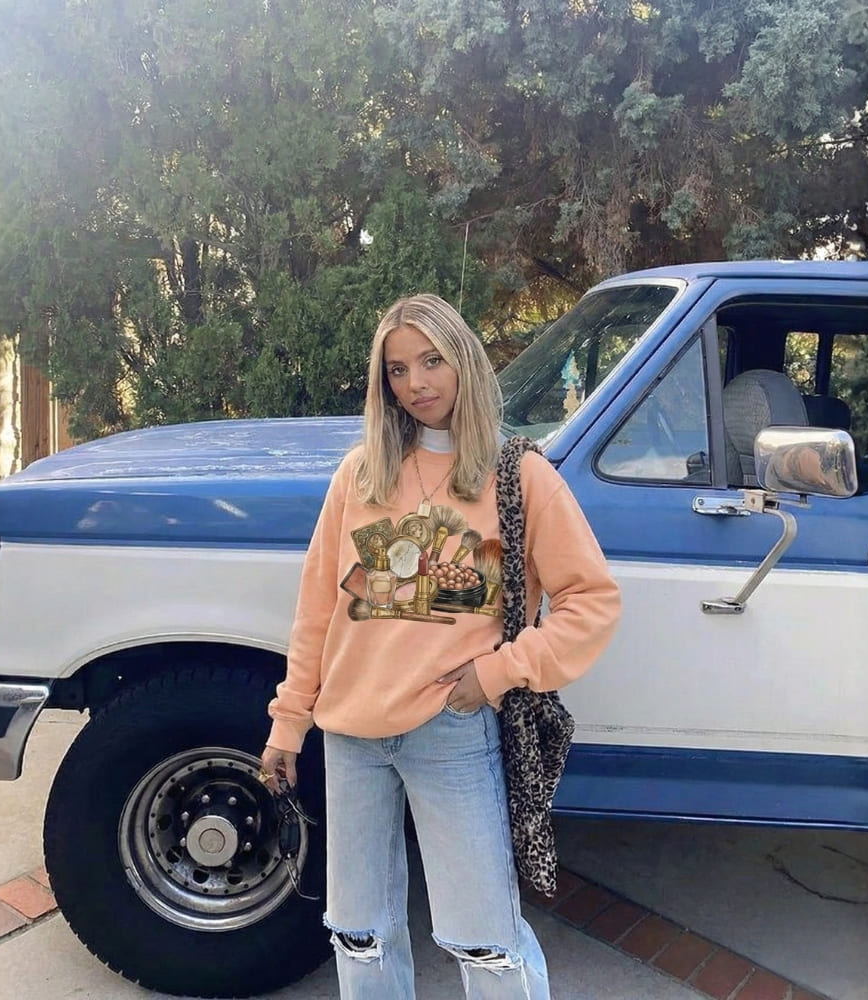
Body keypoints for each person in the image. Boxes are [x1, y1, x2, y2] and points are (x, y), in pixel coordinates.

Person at [260, 293, 621, 1000]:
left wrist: (497, 674)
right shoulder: (360, 474)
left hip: (450, 732)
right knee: (359, 933)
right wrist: (288, 723)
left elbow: (592, 602)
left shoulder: (519, 475)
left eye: (431, 361)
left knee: (484, 938)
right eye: (397, 369)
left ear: (464, 361)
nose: (417, 383)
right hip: (349, 735)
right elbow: (316, 613)